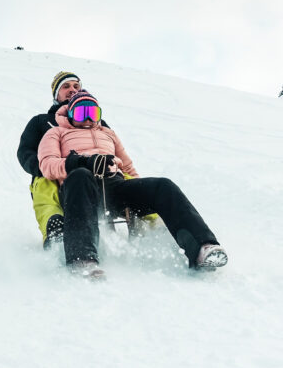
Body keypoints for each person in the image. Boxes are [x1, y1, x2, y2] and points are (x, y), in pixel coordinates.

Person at [38, 90, 227, 278]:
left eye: (93, 113)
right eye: (81, 113)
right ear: (70, 113)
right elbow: (47, 165)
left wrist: (141, 189)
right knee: (81, 175)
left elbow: (127, 167)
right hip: (80, 188)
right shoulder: (56, 133)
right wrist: (81, 162)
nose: (88, 118)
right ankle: (82, 260)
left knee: (163, 186)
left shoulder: (108, 133)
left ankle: (203, 247)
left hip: (114, 185)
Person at [17, 71, 92, 248]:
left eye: (76, 86)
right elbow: (25, 150)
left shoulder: (94, 120)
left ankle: (153, 221)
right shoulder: (42, 122)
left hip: (91, 170)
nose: (72, 90)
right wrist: (42, 167)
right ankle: (54, 228)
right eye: (66, 86)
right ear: (56, 94)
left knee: (125, 175)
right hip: (52, 171)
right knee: (44, 184)